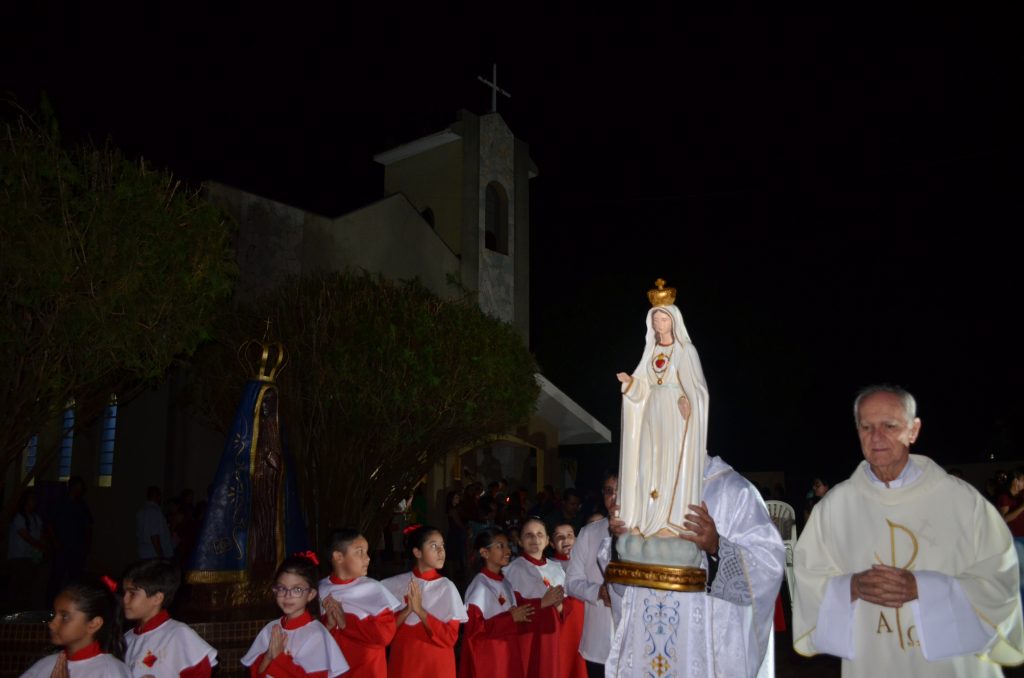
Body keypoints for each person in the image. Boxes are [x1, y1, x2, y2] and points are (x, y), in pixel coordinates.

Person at [793, 385, 1024, 677]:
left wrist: (924, 588)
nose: (876, 437)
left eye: (889, 426)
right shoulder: (834, 507)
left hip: (950, 666)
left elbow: (999, 578)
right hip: (873, 660)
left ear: (913, 431)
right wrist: (852, 586)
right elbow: (808, 578)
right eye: (866, 427)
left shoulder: (962, 502)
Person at [607, 453, 784, 677]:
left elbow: (768, 567)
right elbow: (623, 587)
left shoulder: (733, 490)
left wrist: (716, 546)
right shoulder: (642, 491)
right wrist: (621, 540)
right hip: (647, 643)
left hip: (703, 647)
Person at [615, 282, 709, 569]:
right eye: (655, 318)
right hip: (651, 416)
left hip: (673, 417)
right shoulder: (650, 351)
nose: (659, 322)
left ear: (673, 320)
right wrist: (631, 385)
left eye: (663, 317)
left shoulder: (685, 350)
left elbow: (698, 390)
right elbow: (643, 389)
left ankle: (669, 522)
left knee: (669, 465)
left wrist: (686, 400)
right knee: (647, 465)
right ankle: (645, 520)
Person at [241, 554, 348, 677]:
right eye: (281, 588)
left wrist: (280, 657)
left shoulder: (316, 634)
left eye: (297, 589)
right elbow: (255, 673)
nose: (287, 595)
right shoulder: (271, 628)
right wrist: (268, 656)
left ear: (311, 594)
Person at [381, 525, 466, 677]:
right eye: (434, 546)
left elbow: (450, 638)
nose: (441, 551)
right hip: (404, 664)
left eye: (442, 546)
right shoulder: (395, 585)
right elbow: (383, 634)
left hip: (436, 666)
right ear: (417, 552)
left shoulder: (446, 587)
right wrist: (407, 610)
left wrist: (420, 611)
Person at [319, 528, 401, 678]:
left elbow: (385, 635)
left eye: (367, 552)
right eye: (359, 552)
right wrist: (329, 625)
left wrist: (346, 623)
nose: (368, 558)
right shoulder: (320, 590)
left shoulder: (373, 589)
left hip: (368, 672)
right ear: (338, 557)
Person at [121, 559, 217, 677]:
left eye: (132, 593)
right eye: (124, 593)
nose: (124, 600)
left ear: (157, 598)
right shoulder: (126, 639)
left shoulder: (179, 634)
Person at [459, 529, 533, 678]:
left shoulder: (505, 582)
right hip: (491, 661)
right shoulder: (479, 587)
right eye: (500, 546)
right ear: (484, 553)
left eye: (508, 545)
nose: (508, 551)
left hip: (508, 653)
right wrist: (509, 618)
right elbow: (474, 632)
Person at [565, 473, 619, 678]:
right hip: (599, 637)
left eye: (619, 491)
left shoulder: (645, 532)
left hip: (635, 637)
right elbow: (571, 581)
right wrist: (598, 592)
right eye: (608, 491)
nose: (613, 497)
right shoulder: (589, 533)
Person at [20, 578, 132, 677]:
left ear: (94, 624)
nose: (52, 623)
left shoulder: (111, 671)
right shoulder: (45, 665)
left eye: (65, 617)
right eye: (54, 615)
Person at [502, 517, 566, 677]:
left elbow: (569, 606)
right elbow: (509, 609)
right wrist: (542, 603)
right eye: (528, 535)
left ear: (547, 541)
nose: (535, 539)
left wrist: (560, 606)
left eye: (540, 534)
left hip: (553, 636)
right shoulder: (511, 570)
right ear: (520, 541)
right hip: (527, 637)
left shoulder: (557, 569)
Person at [550, 522, 587, 678]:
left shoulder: (586, 563)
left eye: (570, 536)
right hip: (565, 626)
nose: (566, 540)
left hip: (586, 621)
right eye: (560, 537)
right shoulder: (549, 566)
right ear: (551, 543)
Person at [7, 488, 48, 612]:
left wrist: (43, 547)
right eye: (32, 499)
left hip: (31, 557)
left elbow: (40, 535)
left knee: (28, 586)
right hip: (18, 557)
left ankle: (24, 609)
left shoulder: (35, 518)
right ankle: (13, 611)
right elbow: (25, 536)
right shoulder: (19, 517)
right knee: (17, 586)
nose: (34, 502)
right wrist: (40, 546)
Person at [997, 468, 1024, 601]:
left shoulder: (1020, 497)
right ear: (1016, 481)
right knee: (1020, 577)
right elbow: (1005, 519)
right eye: (1023, 480)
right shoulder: (1004, 497)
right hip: (1015, 539)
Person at [136, 487, 173, 560]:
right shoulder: (154, 511)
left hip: (144, 553)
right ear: (158, 496)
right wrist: (161, 557)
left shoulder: (141, 512)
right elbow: (154, 535)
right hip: (154, 554)